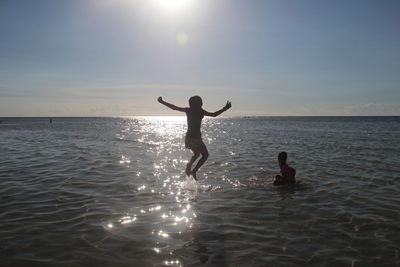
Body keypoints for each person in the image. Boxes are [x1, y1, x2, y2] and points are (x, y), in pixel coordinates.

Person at [158, 96, 231, 180]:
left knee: (196, 154)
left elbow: (174, 108)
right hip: (196, 139)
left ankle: (189, 165)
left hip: (188, 139)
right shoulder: (201, 111)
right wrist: (225, 108)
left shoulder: (189, 110)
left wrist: (162, 102)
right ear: (200, 104)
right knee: (205, 155)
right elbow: (214, 115)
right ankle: (193, 171)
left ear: (190, 104)